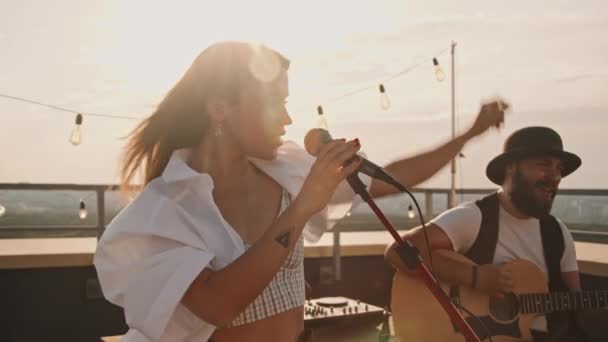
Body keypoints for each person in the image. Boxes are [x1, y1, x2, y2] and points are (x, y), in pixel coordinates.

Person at [93, 41, 507, 342]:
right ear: (219, 108)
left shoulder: (287, 169)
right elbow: (217, 305)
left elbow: (392, 177)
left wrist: (468, 134)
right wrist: (304, 207)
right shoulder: (164, 209)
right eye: (274, 102)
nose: (288, 117)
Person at [385, 126, 585, 341]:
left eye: (559, 169)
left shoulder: (558, 233)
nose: (554, 176)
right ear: (511, 168)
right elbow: (398, 252)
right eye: (544, 165)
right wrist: (473, 277)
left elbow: (577, 302)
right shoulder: (475, 218)